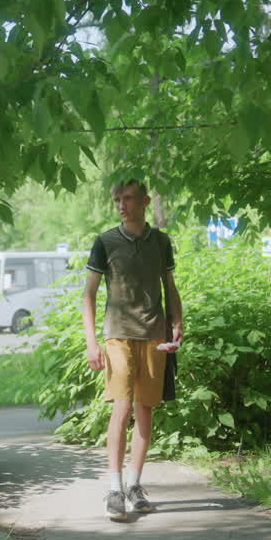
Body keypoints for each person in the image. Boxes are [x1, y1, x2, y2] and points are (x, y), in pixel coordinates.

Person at [82, 179, 182, 521]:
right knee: (122, 408)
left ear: (145, 201)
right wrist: (91, 342)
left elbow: (169, 286)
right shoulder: (105, 242)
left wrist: (177, 320)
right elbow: (89, 295)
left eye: (127, 199)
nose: (121, 205)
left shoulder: (161, 242)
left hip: (154, 335)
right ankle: (114, 489)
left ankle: (134, 485)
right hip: (118, 336)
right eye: (117, 200)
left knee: (145, 410)